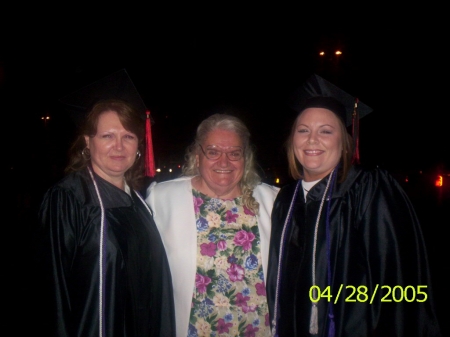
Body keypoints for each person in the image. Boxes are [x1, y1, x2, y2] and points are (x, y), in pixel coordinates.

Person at [266, 76, 442, 336]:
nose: (312, 140)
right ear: (292, 139)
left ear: (344, 140)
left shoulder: (368, 189)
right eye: (303, 130)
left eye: (325, 131)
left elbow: (398, 283)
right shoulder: (286, 199)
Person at [33, 98, 176, 337]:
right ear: (88, 142)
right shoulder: (69, 199)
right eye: (107, 136)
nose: (119, 147)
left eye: (128, 136)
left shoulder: (139, 203)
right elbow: (52, 293)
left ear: (138, 145)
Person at [145, 112, 280, 337]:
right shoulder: (163, 199)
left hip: (258, 330)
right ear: (198, 156)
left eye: (234, 153)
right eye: (213, 152)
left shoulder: (271, 201)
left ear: (245, 158)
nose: (224, 162)